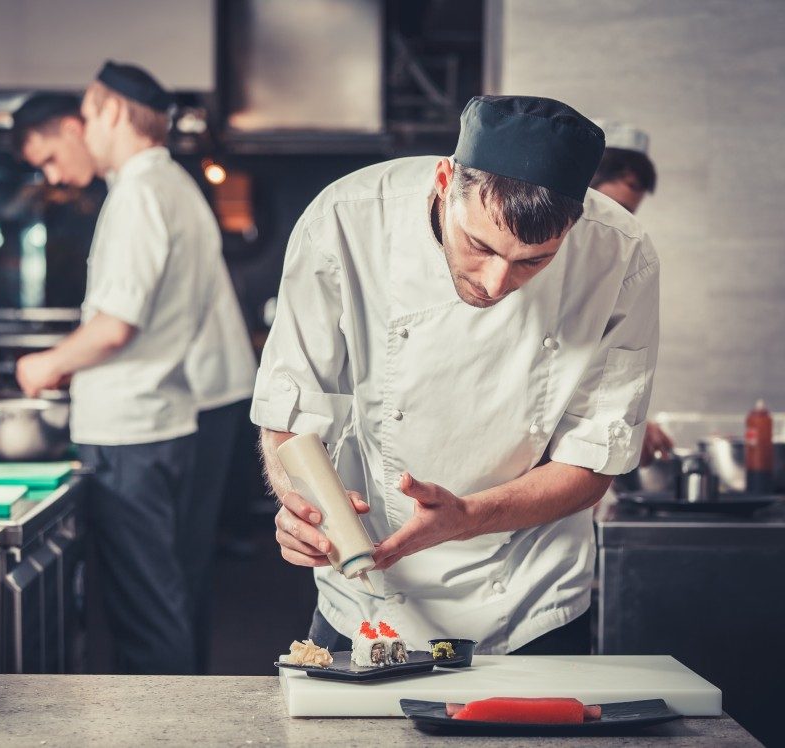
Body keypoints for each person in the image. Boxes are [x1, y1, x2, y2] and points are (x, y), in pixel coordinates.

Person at [253, 96, 660, 655]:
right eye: (480, 246)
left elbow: (594, 460)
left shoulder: (621, 254)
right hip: (365, 595)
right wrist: (299, 506)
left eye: (532, 261)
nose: (496, 283)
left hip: (530, 595)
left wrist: (469, 516)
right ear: (445, 180)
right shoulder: (345, 219)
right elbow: (290, 411)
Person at [11, 92, 256, 673]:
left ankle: (163, 729)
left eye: (89, 118)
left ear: (107, 113)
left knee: (147, 608)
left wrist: (47, 364)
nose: (85, 136)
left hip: (136, 424)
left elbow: (116, 325)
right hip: (173, 412)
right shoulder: (172, 185)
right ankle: (184, 720)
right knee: (173, 593)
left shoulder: (138, 191)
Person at [590, 122, 672, 465]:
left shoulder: (616, 262)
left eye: (628, 213)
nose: (619, 223)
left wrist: (630, 421)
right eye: (611, 207)